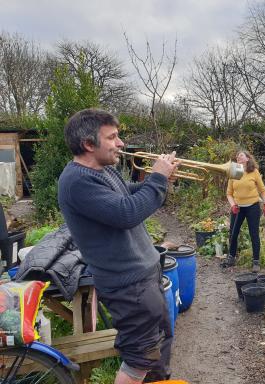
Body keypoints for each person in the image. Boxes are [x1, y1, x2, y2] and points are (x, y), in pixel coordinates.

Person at [58, 108, 179, 384]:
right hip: (129, 287)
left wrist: (158, 179)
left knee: (157, 347)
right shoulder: (76, 181)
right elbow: (127, 213)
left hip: (144, 278)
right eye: (112, 137)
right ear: (89, 144)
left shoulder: (101, 170)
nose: (121, 143)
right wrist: (157, 180)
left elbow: (126, 194)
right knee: (140, 356)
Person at [222, 150, 265, 273]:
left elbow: (262, 190)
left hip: (252, 207)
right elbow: (228, 193)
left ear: (248, 158)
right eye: (237, 156)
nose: (239, 157)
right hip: (238, 208)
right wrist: (233, 205)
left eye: (241, 155)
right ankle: (231, 257)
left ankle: (256, 261)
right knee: (233, 233)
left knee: (254, 234)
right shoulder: (234, 172)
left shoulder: (254, 172)